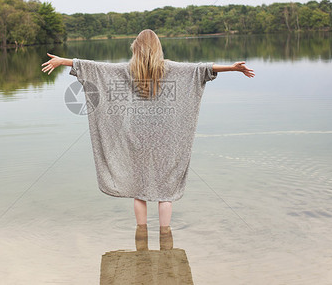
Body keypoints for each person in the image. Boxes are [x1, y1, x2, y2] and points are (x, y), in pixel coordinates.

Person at [41, 29, 254, 239]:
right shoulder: (170, 68)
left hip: (136, 136)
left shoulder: (127, 70)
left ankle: (141, 234)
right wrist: (232, 68)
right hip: (166, 136)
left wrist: (63, 61)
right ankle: (165, 234)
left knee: (139, 187)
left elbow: (95, 68)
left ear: (136, 48)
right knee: (166, 189)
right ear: (158, 48)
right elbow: (200, 69)